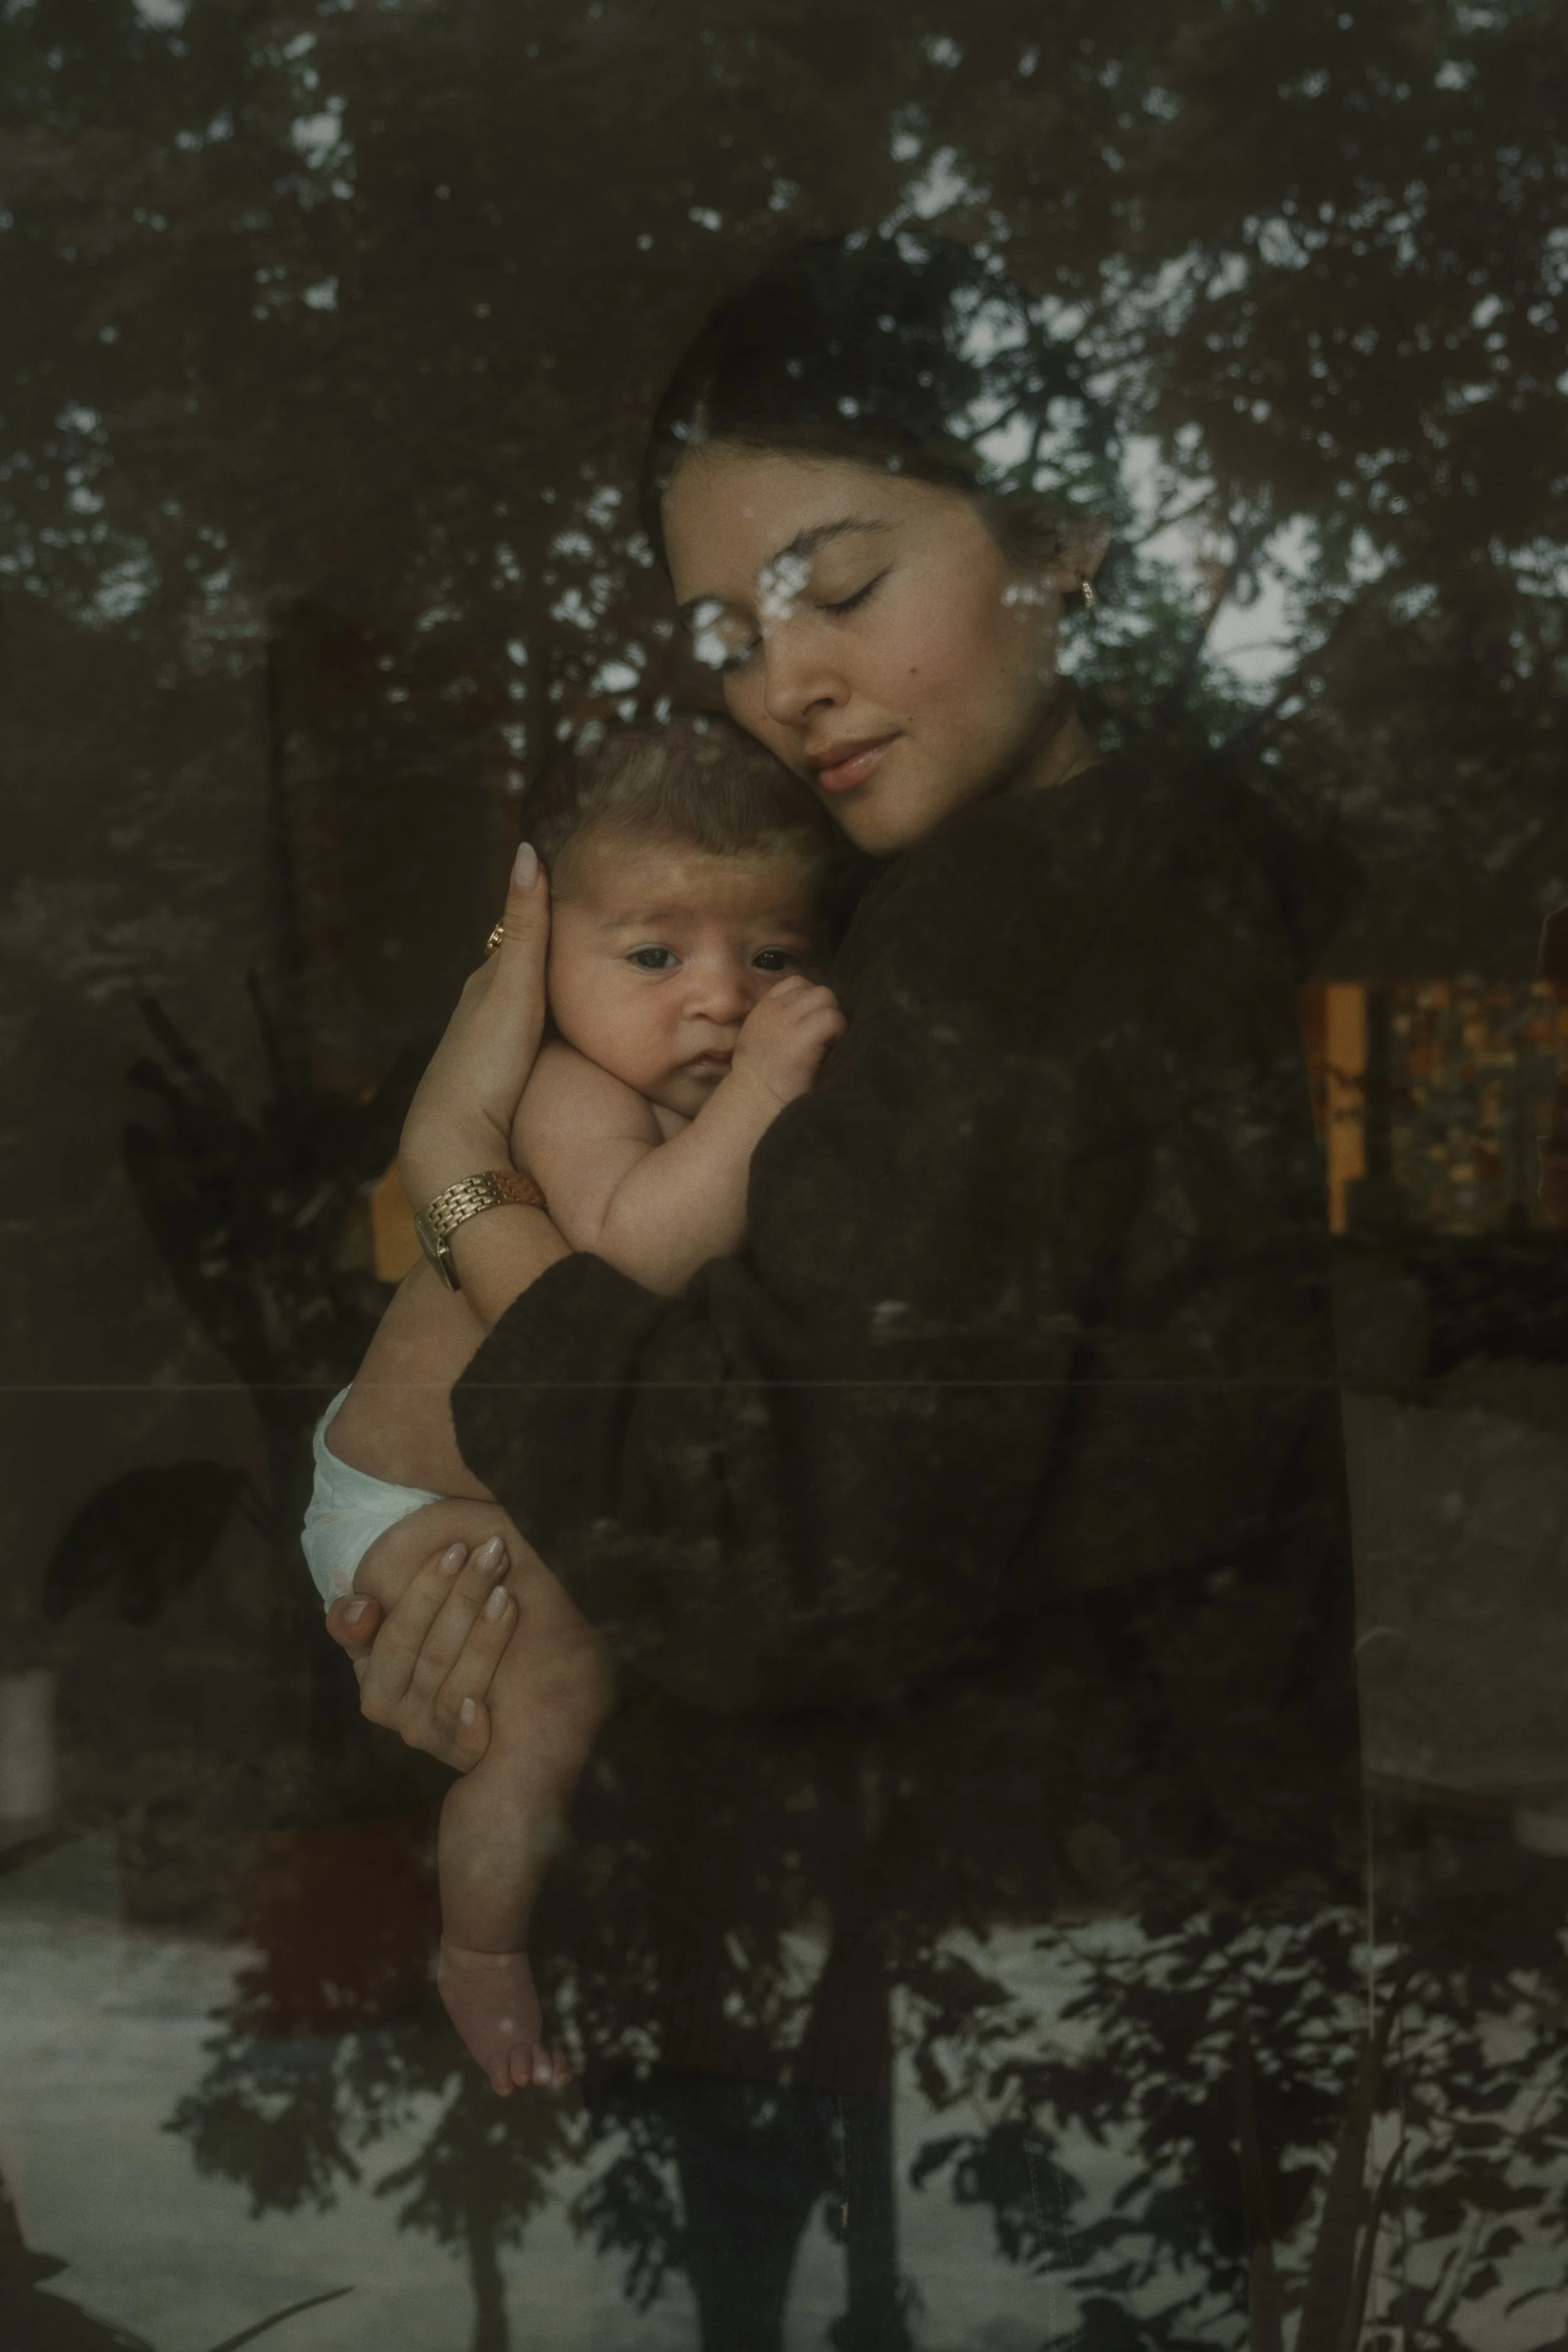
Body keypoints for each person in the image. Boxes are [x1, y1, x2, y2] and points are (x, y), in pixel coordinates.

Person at [326, 233, 1362, 2343]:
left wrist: (455, 1189)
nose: (776, 680)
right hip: (1040, 1981)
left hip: (1011, 2011)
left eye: (841, 582)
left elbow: (763, 1549)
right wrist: (476, 1618)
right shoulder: (1081, 894)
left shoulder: (1007, 947)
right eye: (726, 626)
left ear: (1062, 542)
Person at [303, 715, 844, 2094]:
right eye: (655, 955)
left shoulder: (661, 1106)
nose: (719, 999)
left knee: (586, 1669)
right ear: (545, 960)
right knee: (551, 1683)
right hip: (419, 1501)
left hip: (506, 1481)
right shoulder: (562, 1093)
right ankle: (480, 1949)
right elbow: (612, 1264)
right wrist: (773, 1086)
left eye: (768, 958)